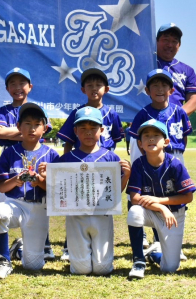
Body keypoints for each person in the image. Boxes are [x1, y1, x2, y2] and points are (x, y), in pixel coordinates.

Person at [56, 107, 131, 275]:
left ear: (102, 130)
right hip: (76, 216)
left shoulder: (111, 158)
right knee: (81, 270)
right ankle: (78, 258)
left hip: (102, 215)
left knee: (102, 269)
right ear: (75, 131)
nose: (88, 133)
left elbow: (115, 194)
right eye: (83, 128)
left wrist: (125, 176)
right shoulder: (67, 159)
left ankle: (93, 258)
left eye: (93, 128)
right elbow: (58, 190)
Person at [0, 68, 55, 262]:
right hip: (13, 161)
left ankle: (42, 243)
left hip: (37, 157)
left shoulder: (38, 108)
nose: (18, 87)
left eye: (22, 83)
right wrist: (26, 133)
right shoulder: (3, 110)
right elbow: (0, 132)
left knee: (41, 198)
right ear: (7, 87)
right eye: (13, 84)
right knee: (1, 207)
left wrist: (23, 132)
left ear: (30, 86)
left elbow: (43, 130)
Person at [0, 103, 59, 279]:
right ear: (18, 126)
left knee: (33, 266)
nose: (32, 128)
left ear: (45, 128)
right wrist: (15, 180)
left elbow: (56, 191)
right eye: (27, 123)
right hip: (15, 204)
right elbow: (2, 187)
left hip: (39, 208)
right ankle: (4, 261)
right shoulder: (9, 152)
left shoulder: (52, 155)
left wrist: (41, 181)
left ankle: (18, 250)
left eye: (37, 124)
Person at [126, 120, 196, 279]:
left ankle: (154, 254)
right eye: (146, 136)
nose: (151, 139)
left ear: (166, 142)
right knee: (134, 211)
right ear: (140, 143)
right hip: (150, 212)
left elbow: (188, 196)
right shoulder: (138, 164)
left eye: (156, 135)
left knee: (170, 267)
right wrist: (161, 208)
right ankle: (138, 261)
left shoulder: (175, 164)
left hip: (173, 217)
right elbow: (135, 198)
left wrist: (160, 202)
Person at [57, 68, 124, 154]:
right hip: (81, 159)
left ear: (106, 89)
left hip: (105, 160)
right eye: (90, 85)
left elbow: (115, 139)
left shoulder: (112, 114)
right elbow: (69, 141)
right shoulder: (77, 112)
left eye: (98, 85)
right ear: (83, 90)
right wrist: (66, 162)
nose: (94, 88)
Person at [155, 23, 196, 115]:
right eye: (166, 40)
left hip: (175, 125)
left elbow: (193, 101)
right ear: (156, 41)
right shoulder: (145, 64)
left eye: (174, 41)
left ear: (179, 46)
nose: (170, 45)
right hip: (147, 123)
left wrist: (175, 117)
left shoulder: (188, 70)